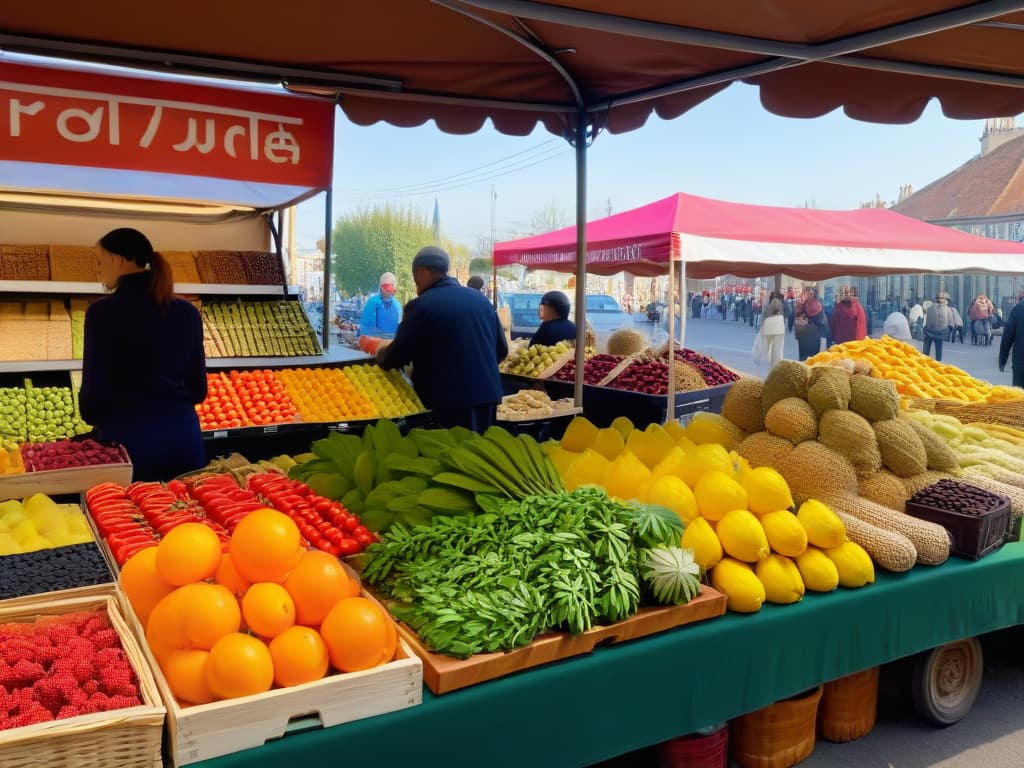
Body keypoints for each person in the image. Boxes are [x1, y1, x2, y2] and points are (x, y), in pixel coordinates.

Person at [79, 228, 207, 481]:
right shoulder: (187, 312)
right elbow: (199, 390)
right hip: (184, 441)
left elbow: (92, 402)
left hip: (128, 446)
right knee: (188, 515)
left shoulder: (102, 314)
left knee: (134, 519)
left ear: (119, 259)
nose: (98, 269)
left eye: (99, 260)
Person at [376, 246, 507, 432]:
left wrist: (381, 353)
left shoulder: (422, 306)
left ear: (421, 272)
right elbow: (502, 350)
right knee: (478, 455)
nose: (416, 286)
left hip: (448, 404)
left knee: (451, 457)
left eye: (415, 278)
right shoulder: (481, 301)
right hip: (487, 398)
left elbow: (396, 356)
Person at [359, 272, 402, 337]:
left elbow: (366, 328)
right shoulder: (397, 304)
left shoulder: (372, 302)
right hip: (392, 343)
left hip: (375, 342)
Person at [999, 293, 1024, 387]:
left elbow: (1007, 335)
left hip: (1021, 364)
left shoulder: (1018, 309)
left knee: (1019, 398)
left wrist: (1003, 357)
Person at [793, 288, 823, 361]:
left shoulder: (816, 304)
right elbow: (798, 316)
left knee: (811, 357)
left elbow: (819, 319)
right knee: (808, 357)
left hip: (812, 334)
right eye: (808, 294)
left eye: (811, 294)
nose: (810, 295)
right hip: (807, 334)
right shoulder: (807, 304)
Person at [922, 292, 952, 361]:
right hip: (940, 332)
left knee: (926, 346)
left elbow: (927, 319)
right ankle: (938, 362)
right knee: (938, 348)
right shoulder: (948, 309)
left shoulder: (931, 307)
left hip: (929, 331)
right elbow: (950, 321)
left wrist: (926, 328)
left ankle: (924, 360)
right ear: (946, 300)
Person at [759, 291, 786, 367]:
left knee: (768, 345)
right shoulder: (781, 304)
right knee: (777, 348)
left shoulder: (767, 304)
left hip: (768, 328)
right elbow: (784, 316)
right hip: (778, 329)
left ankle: (769, 360)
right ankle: (774, 362)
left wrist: (761, 325)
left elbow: (763, 315)